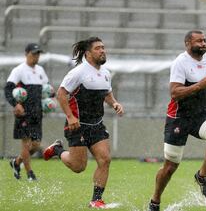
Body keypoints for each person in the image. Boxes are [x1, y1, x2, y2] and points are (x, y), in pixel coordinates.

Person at [148, 30, 206, 211]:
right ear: (187, 44)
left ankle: (202, 175)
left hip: (201, 115)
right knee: (169, 167)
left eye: (205, 40)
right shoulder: (180, 63)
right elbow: (175, 93)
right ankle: (155, 201)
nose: (203, 43)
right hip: (179, 118)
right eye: (199, 41)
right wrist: (199, 85)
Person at [42, 37, 124, 208]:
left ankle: (96, 200)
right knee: (78, 167)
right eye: (98, 48)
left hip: (96, 124)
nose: (103, 50)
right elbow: (61, 94)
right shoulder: (78, 72)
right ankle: (57, 149)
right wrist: (71, 117)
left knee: (105, 159)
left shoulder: (106, 73)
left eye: (103, 47)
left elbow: (107, 93)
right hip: (77, 125)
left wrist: (114, 103)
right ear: (88, 53)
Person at [5, 43, 48, 181]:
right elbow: (8, 89)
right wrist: (16, 104)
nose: (36, 56)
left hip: (37, 113)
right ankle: (30, 174)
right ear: (26, 54)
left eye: (38, 54)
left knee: (35, 145)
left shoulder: (40, 70)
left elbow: (46, 89)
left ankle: (16, 162)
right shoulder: (19, 70)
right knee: (26, 144)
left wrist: (49, 100)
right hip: (24, 113)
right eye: (34, 53)